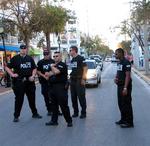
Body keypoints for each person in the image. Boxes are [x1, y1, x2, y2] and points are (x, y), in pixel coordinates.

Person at [5, 44, 42, 122]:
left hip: (29, 82)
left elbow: (34, 68)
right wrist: (12, 74)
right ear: (20, 50)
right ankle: (16, 116)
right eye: (22, 49)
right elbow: (7, 67)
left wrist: (33, 75)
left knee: (32, 99)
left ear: (26, 50)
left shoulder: (30, 58)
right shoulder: (15, 58)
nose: (23, 50)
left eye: (25, 49)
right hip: (19, 82)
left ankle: (34, 113)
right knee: (19, 99)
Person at [45, 51, 72, 127]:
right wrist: (50, 72)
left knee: (63, 106)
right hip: (52, 87)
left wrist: (52, 67)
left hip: (60, 88)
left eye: (57, 56)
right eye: (54, 56)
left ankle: (69, 121)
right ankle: (54, 121)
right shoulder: (54, 65)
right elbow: (47, 75)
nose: (55, 57)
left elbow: (56, 72)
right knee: (54, 106)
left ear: (60, 57)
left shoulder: (62, 65)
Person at [114, 48, 134, 128]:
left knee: (127, 104)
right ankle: (123, 119)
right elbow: (118, 72)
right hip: (119, 85)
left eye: (116, 54)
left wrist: (125, 88)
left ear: (121, 54)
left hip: (126, 86)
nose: (115, 55)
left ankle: (129, 122)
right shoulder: (119, 62)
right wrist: (116, 78)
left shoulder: (126, 62)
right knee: (120, 103)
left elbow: (128, 76)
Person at [69, 46, 88, 119]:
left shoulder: (81, 58)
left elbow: (85, 68)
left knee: (81, 97)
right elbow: (74, 70)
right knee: (73, 97)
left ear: (74, 51)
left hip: (79, 80)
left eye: (70, 50)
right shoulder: (72, 59)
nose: (69, 51)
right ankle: (75, 112)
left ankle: (83, 113)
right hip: (73, 80)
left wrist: (83, 79)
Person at [37, 49, 54, 116]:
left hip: (52, 81)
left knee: (54, 96)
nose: (46, 55)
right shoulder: (40, 62)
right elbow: (38, 71)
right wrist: (44, 76)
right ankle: (49, 110)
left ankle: (56, 110)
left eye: (47, 54)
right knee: (46, 96)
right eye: (45, 54)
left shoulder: (52, 61)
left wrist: (50, 74)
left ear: (49, 54)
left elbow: (56, 70)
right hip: (44, 82)